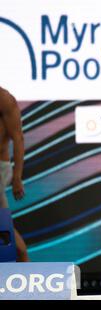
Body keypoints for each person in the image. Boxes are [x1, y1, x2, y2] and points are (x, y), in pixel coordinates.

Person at [0, 87, 28, 262]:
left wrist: (17, 177)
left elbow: (18, 138)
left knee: (4, 225)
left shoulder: (4, 99)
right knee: (3, 224)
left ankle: (22, 255)